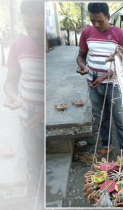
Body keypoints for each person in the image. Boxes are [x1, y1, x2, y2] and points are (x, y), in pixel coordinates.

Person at [3, 0, 44, 207]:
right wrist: (12, 95)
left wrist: (43, 113)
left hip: (45, 120)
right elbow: (10, 81)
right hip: (27, 120)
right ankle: (32, 203)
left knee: (48, 168)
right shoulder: (19, 45)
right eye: (29, 27)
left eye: (39, 27)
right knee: (32, 166)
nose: (35, 33)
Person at [76, 3, 123, 157]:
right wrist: (82, 66)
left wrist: (104, 77)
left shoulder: (120, 34)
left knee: (119, 118)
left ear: (108, 17)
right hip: (93, 83)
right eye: (93, 21)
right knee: (101, 117)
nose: (96, 25)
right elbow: (81, 56)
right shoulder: (87, 32)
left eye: (100, 21)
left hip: (113, 84)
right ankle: (106, 145)